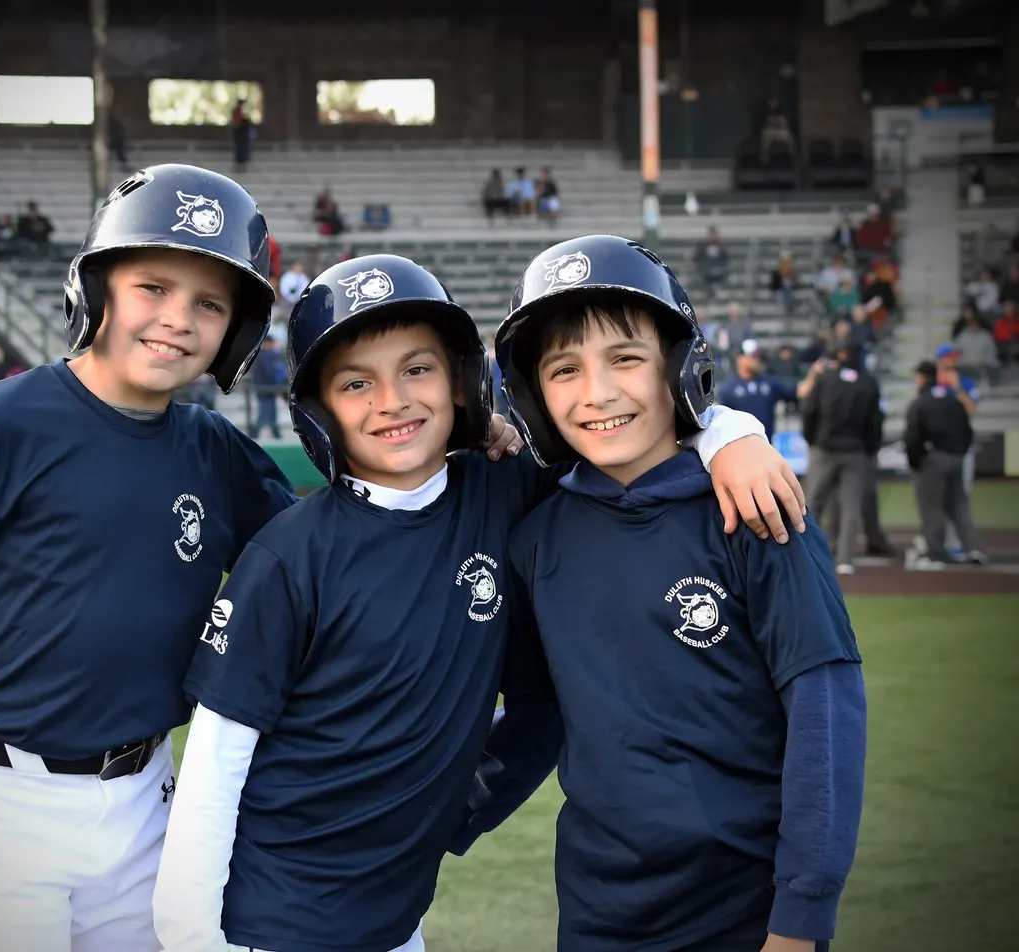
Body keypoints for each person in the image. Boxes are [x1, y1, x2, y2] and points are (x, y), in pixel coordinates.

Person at [152, 247, 806, 952]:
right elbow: (215, 768)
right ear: (317, 411)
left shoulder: (503, 489)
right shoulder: (289, 556)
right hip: (273, 921)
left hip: (396, 919)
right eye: (355, 384)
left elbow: (625, 435)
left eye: (417, 369)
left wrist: (729, 432)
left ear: (464, 382)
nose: (392, 401)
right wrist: (192, 939)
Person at [0, 164, 303, 952]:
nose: (177, 319)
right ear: (96, 290)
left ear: (234, 334)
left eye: (209, 304)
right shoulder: (1, 422)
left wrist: (468, 447)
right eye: (153, 287)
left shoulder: (216, 453)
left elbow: (321, 558)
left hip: (149, 799)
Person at [455, 234, 866, 952]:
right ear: (531, 394)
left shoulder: (757, 511)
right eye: (563, 369)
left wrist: (801, 916)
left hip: (745, 915)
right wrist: (431, 822)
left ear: (680, 366)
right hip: (596, 911)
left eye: (626, 359)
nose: (598, 393)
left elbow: (825, 714)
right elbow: (536, 716)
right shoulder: (536, 539)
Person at [802, 340, 883, 575]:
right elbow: (875, 422)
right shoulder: (869, 383)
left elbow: (810, 410)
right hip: (856, 452)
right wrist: (868, 449)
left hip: (825, 449)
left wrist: (812, 440)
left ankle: (805, 552)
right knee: (851, 508)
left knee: (812, 503)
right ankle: (845, 559)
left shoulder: (826, 379)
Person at [903, 360, 987, 568]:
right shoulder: (953, 399)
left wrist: (916, 460)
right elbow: (968, 431)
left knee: (932, 506)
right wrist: (959, 452)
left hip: (933, 459)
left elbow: (912, 436)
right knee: (959, 505)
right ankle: (973, 548)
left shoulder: (921, 402)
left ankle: (935, 551)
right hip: (956, 457)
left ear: (922, 377)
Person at [717, 339, 821, 444]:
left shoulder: (768, 383)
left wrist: (813, 373)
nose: (756, 359)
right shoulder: (729, 388)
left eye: (757, 356)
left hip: (766, 447)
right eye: (751, 356)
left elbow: (800, 391)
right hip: (739, 449)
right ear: (739, 358)